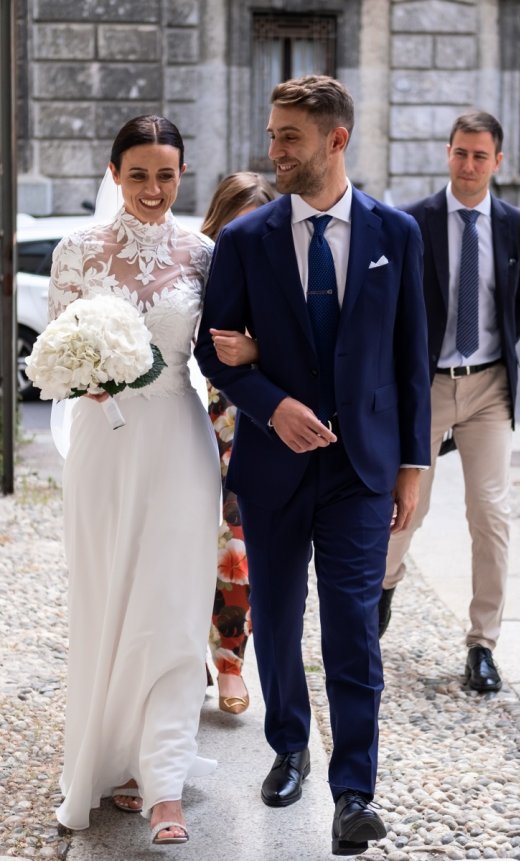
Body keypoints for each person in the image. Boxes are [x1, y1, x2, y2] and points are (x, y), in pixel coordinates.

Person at [196, 75, 431, 857]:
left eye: (288, 138)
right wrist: (272, 403)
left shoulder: (396, 234)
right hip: (273, 467)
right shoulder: (245, 240)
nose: (273, 151)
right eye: (271, 135)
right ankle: (289, 744)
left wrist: (412, 464)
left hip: (362, 469)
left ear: (336, 139)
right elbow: (213, 348)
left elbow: (410, 360)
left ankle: (354, 790)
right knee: (277, 613)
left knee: (353, 629)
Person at [50, 115, 221, 845]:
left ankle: (164, 781)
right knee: (108, 596)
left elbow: (220, 350)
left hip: (179, 435)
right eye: (140, 173)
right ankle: (112, 753)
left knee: (176, 602)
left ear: (182, 176)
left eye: (167, 174)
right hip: (104, 440)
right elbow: (56, 351)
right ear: (114, 173)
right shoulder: (75, 251)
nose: (154, 188)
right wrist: (85, 374)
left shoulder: (203, 252)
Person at [379, 111, 520, 694]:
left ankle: (482, 644)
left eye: (480, 156)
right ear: (447, 154)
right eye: (460, 153)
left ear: (498, 161)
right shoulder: (413, 222)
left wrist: (488, 357)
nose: (469, 165)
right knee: (408, 508)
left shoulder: (518, 226)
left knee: (490, 514)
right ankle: (383, 590)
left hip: (488, 388)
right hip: (425, 386)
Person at [201, 172, 275, 715]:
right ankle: (184, 659)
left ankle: (230, 664)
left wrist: (257, 350)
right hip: (187, 420)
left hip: (246, 426)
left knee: (235, 548)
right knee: (181, 546)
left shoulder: (281, 274)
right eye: (235, 225)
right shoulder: (195, 265)